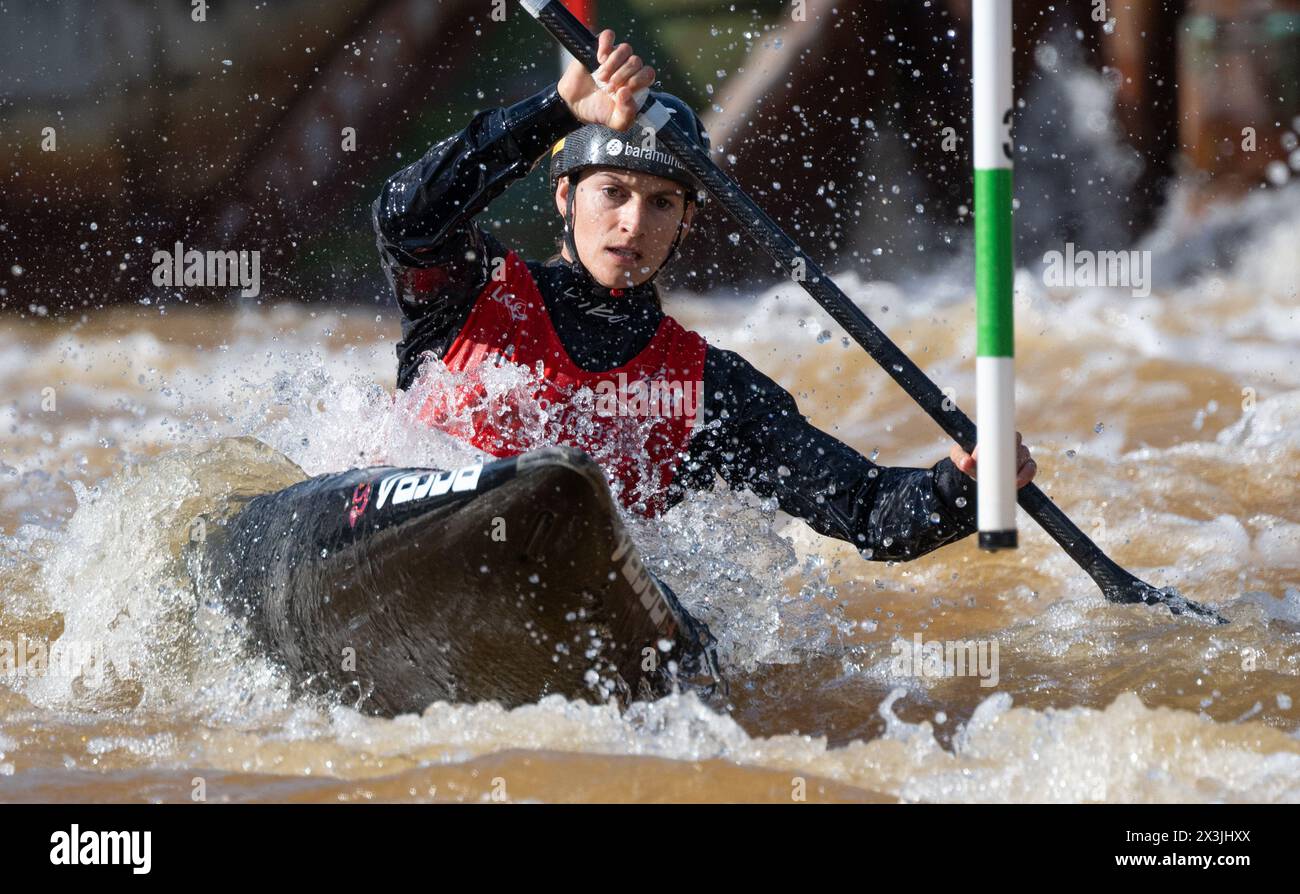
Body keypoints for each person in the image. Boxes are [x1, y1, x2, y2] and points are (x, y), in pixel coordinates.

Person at [373, 29, 1036, 561]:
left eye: (662, 203)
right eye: (612, 193)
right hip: (411, 541)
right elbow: (405, 215)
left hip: (570, 590)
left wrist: (964, 486)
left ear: (688, 221)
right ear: (564, 195)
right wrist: (556, 109)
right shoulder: (472, 290)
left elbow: (865, 511)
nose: (634, 224)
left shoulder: (710, 390)